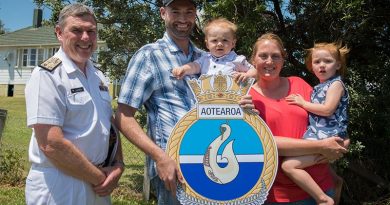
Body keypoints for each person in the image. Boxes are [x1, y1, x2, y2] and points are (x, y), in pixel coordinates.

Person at [115, 0, 255, 204]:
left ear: (195, 14)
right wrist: (160, 158)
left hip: (210, 162)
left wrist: (244, 105)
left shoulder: (207, 57)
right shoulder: (149, 55)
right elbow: (123, 116)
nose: (182, 18)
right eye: (175, 11)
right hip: (174, 167)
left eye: (189, 11)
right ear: (163, 13)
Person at [24, 3, 124, 205]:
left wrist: (118, 165)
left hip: (98, 182)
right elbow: (50, 143)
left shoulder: (98, 77)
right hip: (60, 185)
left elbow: (109, 126)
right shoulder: (47, 76)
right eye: (77, 30)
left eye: (91, 31)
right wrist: (99, 177)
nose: (85, 38)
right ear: (59, 33)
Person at [248, 33, 349, 204]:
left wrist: (343, 143)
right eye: (263, 56)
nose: (269, 61)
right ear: (253, 60)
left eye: (276, 56)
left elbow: (328, 120)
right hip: (277, 196)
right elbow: (263, 143)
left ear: (283, 59)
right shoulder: (246, 99)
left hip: (322, 187)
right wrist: (321, 146)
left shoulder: (299, 84)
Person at [282, 42, 350, 205]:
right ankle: (336, 182)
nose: (322, 65)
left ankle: (323, 199)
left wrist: (302, 103)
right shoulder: (320, 86)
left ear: (338, 65)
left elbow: (327, 110)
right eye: (317, 62)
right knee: (313, 161)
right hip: (320, 135)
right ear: (311, 66)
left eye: (327, 61)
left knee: (289, 165)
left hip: (328, 137)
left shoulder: (336, 84)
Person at [172, 17, 256, 80]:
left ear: (233, 43)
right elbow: (194, 66)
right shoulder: (205, 59)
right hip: (207, 101)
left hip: (230, 101)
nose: (219, 44)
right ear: (207, 44)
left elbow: (255, 71)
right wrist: (183, 69)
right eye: (214, 40)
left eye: (225, 40)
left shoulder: (237, 60)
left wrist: (247, 75)